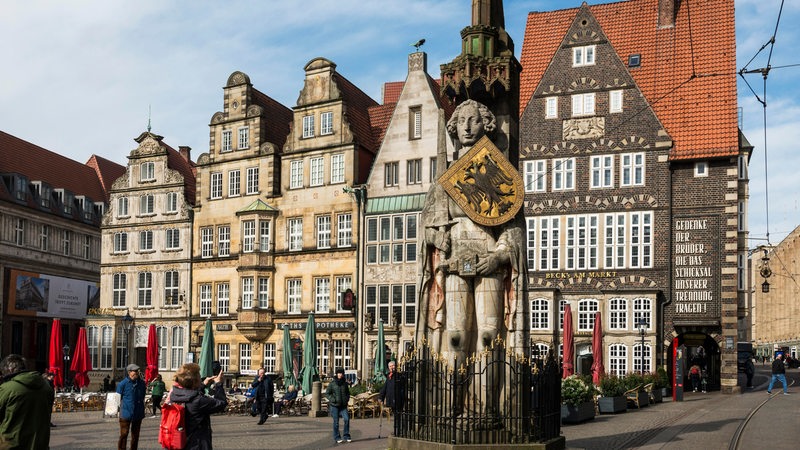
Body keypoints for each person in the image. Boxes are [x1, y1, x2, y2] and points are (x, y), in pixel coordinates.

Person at [416, 99, 526, 415]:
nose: (466, 126)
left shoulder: (498, 172)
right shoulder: (444, 182)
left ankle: (485, 409)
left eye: (473, 120)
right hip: (454, 265)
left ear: (486, 125)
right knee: (455, 337)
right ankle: (450, 407)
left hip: (488, 262)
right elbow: (428, 229)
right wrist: (437, 236)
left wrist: (501, 256)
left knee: (490, 337)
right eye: (461, 120)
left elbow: (514, 229)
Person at [168, 363, 227, 449]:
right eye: (199, 376)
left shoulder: (175, 394)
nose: (200, 377)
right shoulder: (199, 400)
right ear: (195, 381)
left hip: (181, 440)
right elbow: (221, 403)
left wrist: (203, 384)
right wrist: (218, 384)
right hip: (197, 443)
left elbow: (189, 394)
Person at [0, 354, 54, 449]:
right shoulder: (46, 387)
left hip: (12, 445)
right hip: (40, 445)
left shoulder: (7, 389)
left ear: (10, 370)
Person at [117, 363, 146, 450]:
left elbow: (143, 396)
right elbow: (117, 398)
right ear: (129, 372)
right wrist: (118, 410)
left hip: (138, 413)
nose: (136, 373)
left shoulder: (142, 383)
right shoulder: (122, 384)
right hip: (126, 413)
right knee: (124, 434)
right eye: (134, 371)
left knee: (135, 435)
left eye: (137, 371)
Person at [325, 367, 351, 444]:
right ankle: (337, 437)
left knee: (346, 419)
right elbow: (327, 393)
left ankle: (346, 436)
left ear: (343, 374)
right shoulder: (332, 384)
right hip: (334, 406)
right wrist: (333, 399)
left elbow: (347, 393)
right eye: (339, 373)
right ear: (336, 374)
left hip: (343, 405)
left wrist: (347, 399)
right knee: (336, 422)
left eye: (341, 373)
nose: (340, 375)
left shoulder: (345, 384)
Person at [379, 360, 405, 436]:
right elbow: (385, 387)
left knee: (398, 415)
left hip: (397, 398)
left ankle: (399, 431)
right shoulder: (389, 376)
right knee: (395, 415)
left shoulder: (398, 375)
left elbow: (402, 386)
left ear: (395, 366)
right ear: (388, 368)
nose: (392, 367)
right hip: (391, 398)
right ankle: (396, 430)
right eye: (390, 366)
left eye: (393, 366)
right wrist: (381, 397)